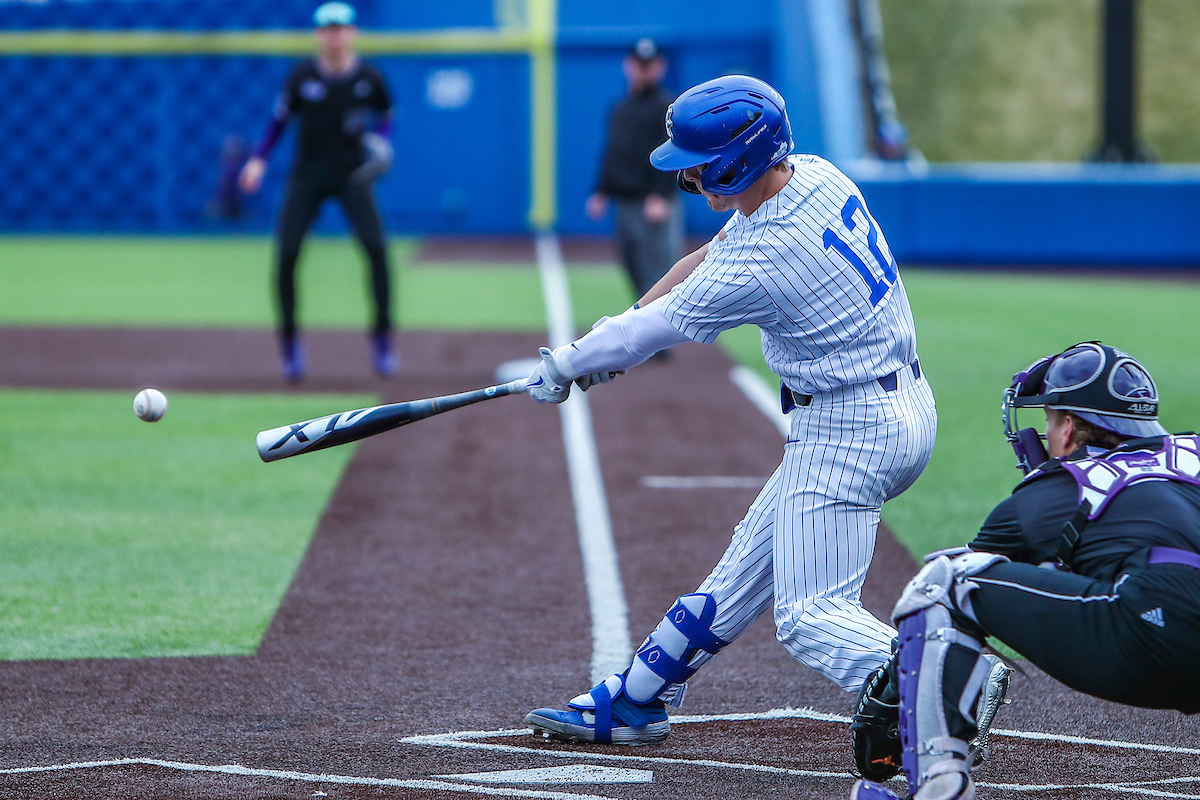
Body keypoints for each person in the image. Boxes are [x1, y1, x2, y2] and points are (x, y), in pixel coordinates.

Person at [521, 74, 947, 747]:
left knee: (809, 613)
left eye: (696, 170)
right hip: (891, 406)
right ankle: (638, 697)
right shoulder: (813, 175)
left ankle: (942, 683)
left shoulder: (767, 259)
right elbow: (700, 266)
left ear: (734, 163)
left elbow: (654, 332)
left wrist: (571, 361)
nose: (689, 180)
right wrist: (607, 339)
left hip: (850, 430)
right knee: (743, 566)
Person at [850, 342, 1200, 800]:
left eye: (1051, 419)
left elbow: (961, 592)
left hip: (1156, 633)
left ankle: (938, 786)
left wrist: (896, 691)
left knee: (945, 581)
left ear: (1070, 427)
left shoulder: (1064, 486)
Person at [239, 1, 397, 381]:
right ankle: (290, 345)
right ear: (318, 34)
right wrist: (258, 158)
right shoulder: (301, 78)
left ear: (353, 32)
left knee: (376, 251)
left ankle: (382, 339)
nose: (335, 34)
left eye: (342, 27)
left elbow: (387, 116)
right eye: (328, 28)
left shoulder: (370, 78)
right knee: (288, 254)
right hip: (307, 176)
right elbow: (277, 122)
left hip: (352, 176)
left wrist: (382, 143)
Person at [585, 38, 683, 307]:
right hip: (625, 204)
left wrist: (661, 194)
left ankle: (659, 342)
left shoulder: (668, 107)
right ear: (628, 66)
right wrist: (601, 192)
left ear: (660, 67)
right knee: (632, 269)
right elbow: (613, 152)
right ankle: (648, 334)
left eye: (649, 65)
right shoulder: (620, 109)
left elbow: (675, 154)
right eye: (639, 64)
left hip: (652, 203)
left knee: (658, 270)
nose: (643, 70)